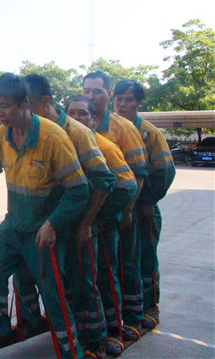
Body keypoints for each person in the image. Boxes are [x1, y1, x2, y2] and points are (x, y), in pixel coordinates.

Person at [0, 73, 88, 358]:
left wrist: (53, 224)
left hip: (43, 228)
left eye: (5, 106)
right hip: (14, 224)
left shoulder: (53, 138)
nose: (0, 113)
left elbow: (79, 190)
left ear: (24, 103)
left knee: (53, 296)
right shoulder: (1, 135)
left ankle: (71, 350)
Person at [24, 74, 115, 358]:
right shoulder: (34, 130)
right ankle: (60, 334)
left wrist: (87, 223)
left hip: (77, 225)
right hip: (51, 226)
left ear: (44, 102)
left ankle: (96, 341)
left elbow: (104, 180)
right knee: (57, 285)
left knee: (84, 283)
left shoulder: (77, 132)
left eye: (26, 104)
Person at [66, 96, 138, 355]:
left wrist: (97, 218)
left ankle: (113, 330)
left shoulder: (104, 146)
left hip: (100, 226)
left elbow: (127, 187)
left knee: (105, 277)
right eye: (71, 113)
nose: (76, 118)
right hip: (75, 227)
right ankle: (84, 330)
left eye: (83, 114)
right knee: (80, 281)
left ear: (94, 120)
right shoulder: (64, 143)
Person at [82, 71, 148, 345]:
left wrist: (128, 210)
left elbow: (138, 175)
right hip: (91, 214)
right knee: (98, 271)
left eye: (97, 91)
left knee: (122, 266)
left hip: (117, 211)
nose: (90, 96)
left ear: (107, 94)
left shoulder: (123, 128)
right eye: (86, 90)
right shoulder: (81, 123)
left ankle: (128, 320)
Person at [113, 81, 175, 329]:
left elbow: (165, 172)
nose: (122, 104)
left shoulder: (151, 133)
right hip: (118, 209)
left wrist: (148, 200)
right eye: (118, 99)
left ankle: (150, 307)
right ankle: (124, 309)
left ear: (139, 103)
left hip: (142, 210)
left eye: (128, 100)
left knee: (145, 260)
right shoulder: (107, 129)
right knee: (122, 261)